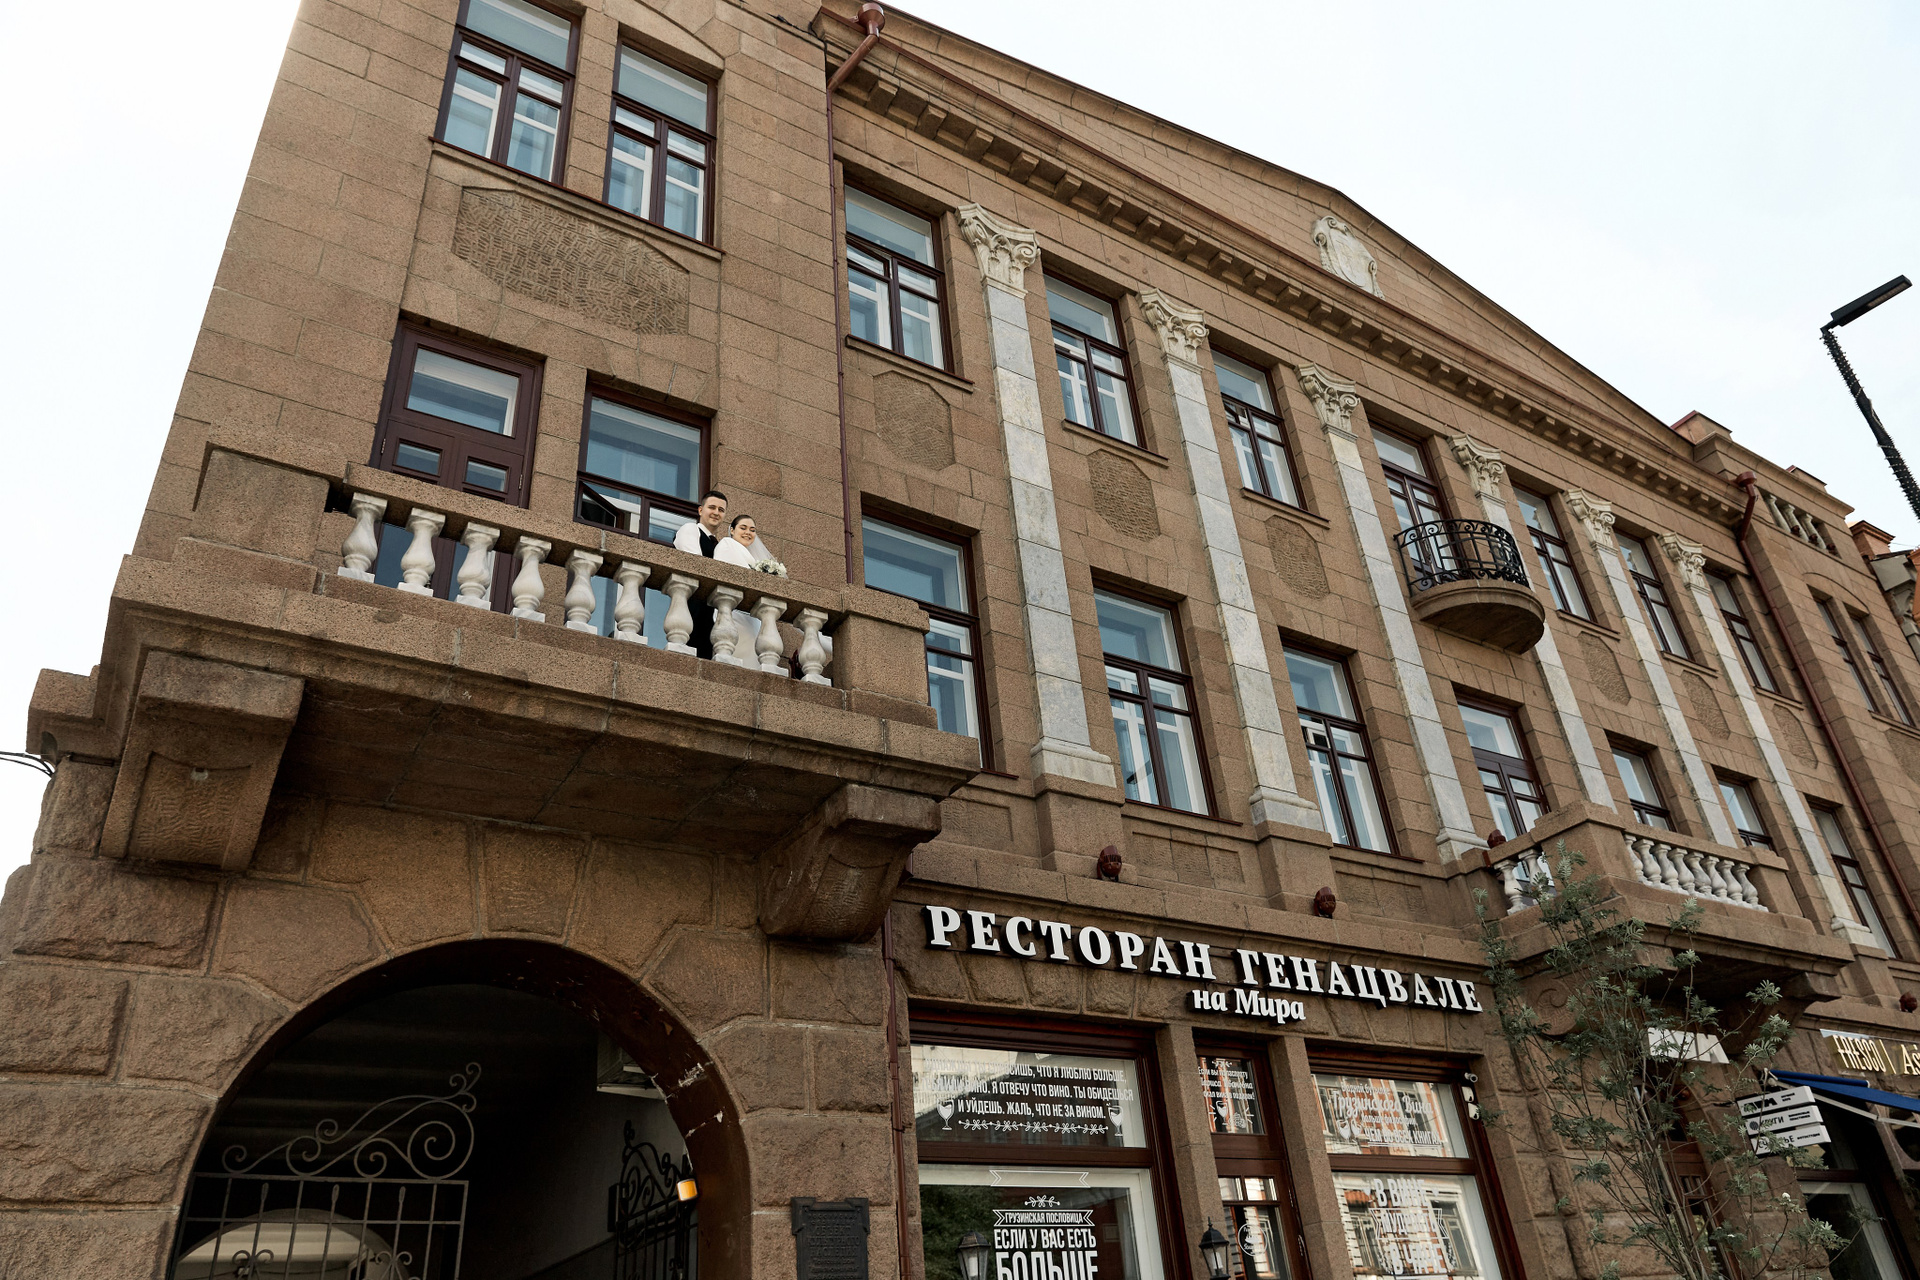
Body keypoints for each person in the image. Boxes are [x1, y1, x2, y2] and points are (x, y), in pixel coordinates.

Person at [672, 490, 728, 656]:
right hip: (693, 606)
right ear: (700, 510)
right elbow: (695, 564)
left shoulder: (720, 544)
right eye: (712, 507)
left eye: (721, 510)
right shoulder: (690, 529)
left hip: (712, 611)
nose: (716, 512)